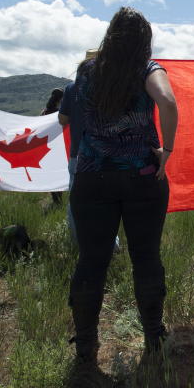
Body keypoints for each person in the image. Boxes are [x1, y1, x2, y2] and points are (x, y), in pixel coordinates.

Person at [68, 7, 178, 367]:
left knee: (91, 261)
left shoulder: (87, 70)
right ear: (144, 40)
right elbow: (167, 101)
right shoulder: (148, 69)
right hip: (141, 176)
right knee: (145, 256)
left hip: (91, 176)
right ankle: (153, 335)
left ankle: (85, 344)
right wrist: (168, 150)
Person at [59, 51, 119, 250]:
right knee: (108, 201)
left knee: (77, 202)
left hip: (79, 154)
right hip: (108, 155)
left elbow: (63, 120)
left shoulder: (71, 89)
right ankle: (111, 244)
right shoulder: (111, 88)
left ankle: (79, 243)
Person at [41, 88, 66, 207]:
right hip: (58, 147)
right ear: (61, 99)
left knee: (52, 173)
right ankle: (58, 201)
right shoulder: (60, 113)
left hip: (47, 147)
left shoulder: (44, 112)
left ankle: (56, 200)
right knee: (58, 173)